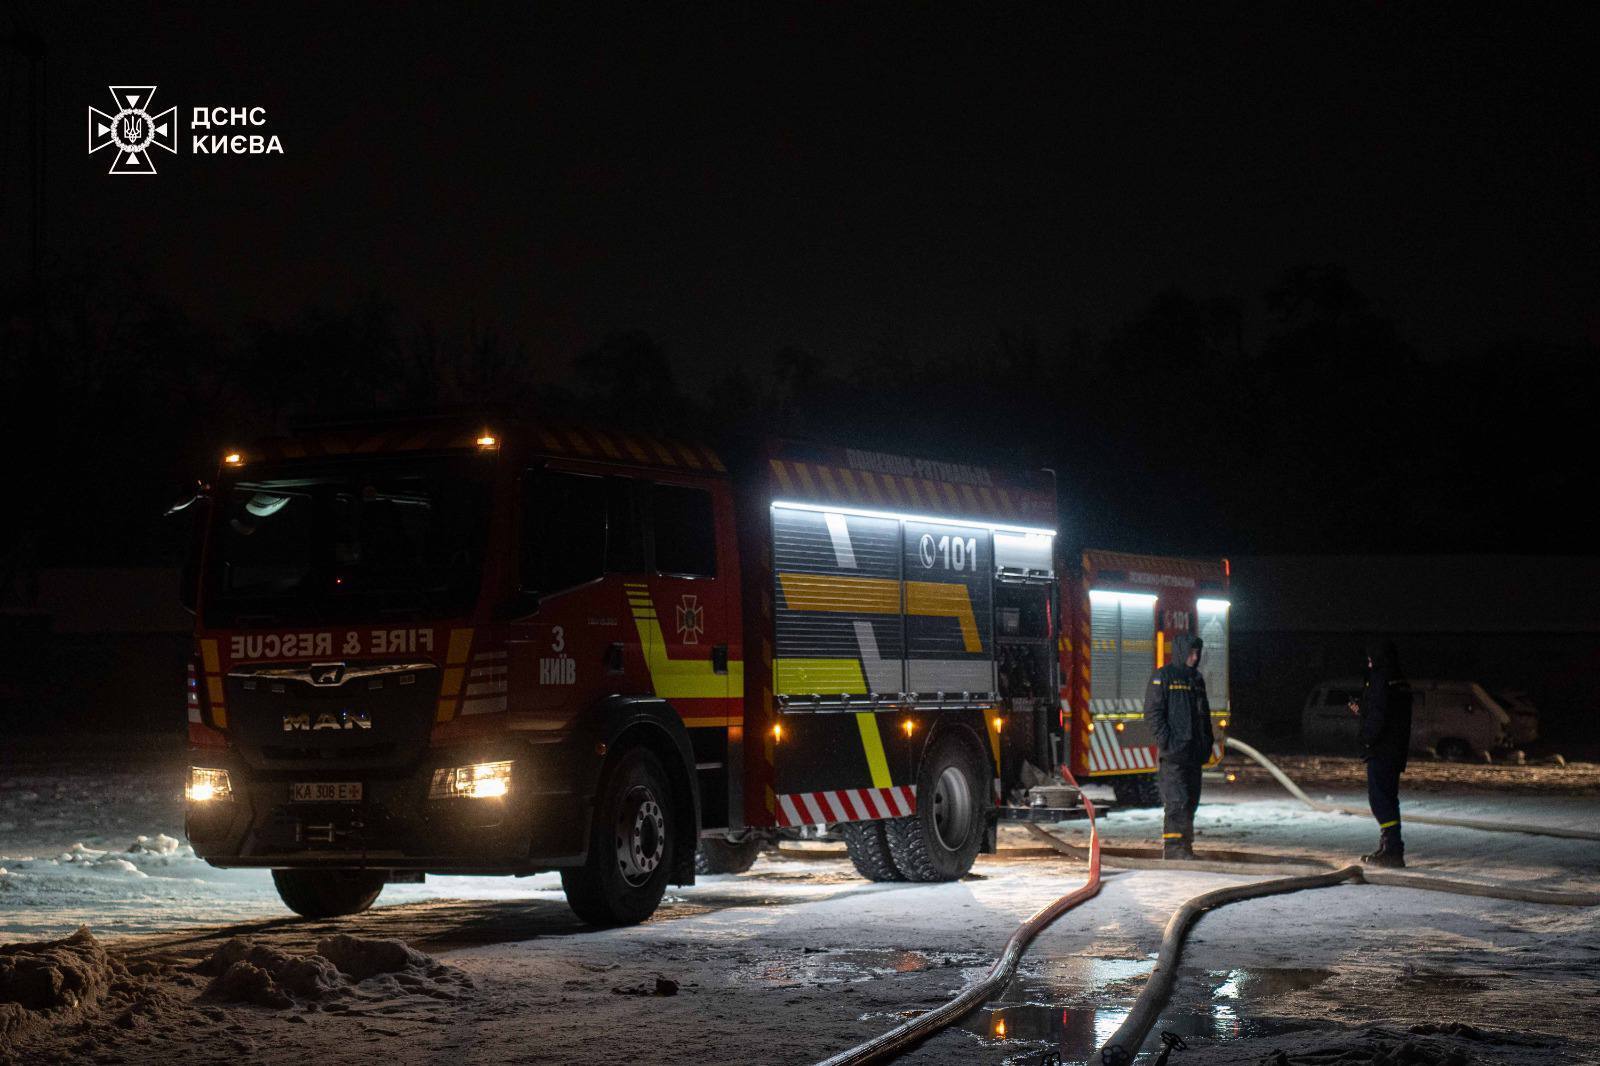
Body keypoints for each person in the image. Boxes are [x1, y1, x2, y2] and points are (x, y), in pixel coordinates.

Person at [1143, 634, 1212, 860]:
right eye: (1191, 653)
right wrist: (1167, 742)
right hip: (1174, 754)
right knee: (1177, 801)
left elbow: (1204, 716)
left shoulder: (1196, 680)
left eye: (1197, 653)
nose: (1195, 657)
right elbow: (1153, 714)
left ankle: (1186, 847)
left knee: (1191, 801)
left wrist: (1207, 743)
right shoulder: (1164, 677)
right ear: (1181, 652)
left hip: (1194, 753)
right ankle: (1174, 850)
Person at [1348, 639, 1413, 867]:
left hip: (1382, 749)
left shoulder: (1380, 678)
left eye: (1370, 657)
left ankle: (1393, 850)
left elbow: (1378, 713)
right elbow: (1389, 712)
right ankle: (1390, 846)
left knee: (1380, 799)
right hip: (1395, 749)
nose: (1368, 662)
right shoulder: (1400, 680)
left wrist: (1366, 741)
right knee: (1388, 798)